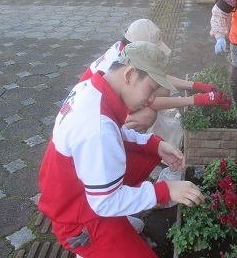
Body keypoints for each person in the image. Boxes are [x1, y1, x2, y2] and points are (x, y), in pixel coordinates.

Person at [38, 41, 206, 258]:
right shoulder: (97, 129)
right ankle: (89, 250)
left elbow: (116, 132)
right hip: (79, 219)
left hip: (81, 191)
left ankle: (118, 222)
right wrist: (165, 190)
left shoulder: (90, 88)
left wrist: (155, 144)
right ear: (130, 75)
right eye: (151, 89)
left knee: (149, 154)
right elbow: (105, 202)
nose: (152, 99)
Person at [81, 19, 223, 132]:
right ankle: (121, 138)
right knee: (147, 115)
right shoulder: (117, 64)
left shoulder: (126, 50)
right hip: (92, 121)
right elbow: (152, 102)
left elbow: (159, 77)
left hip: (99, 107)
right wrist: (196, 99)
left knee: (162, 90)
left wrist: (196, 85)